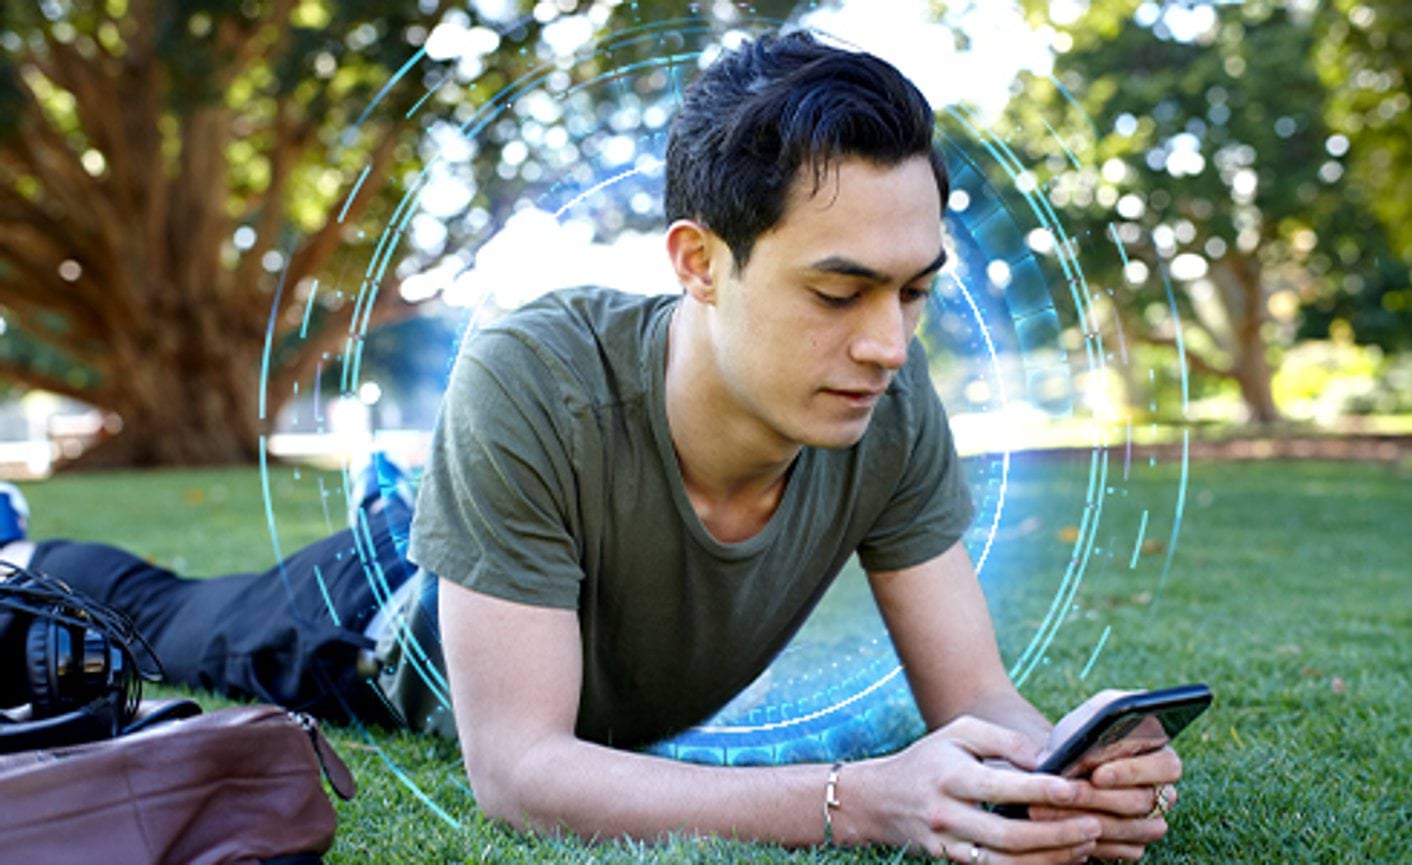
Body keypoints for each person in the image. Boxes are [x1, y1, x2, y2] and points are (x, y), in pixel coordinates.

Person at [0, 31, 1183, 863]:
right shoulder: (532, 367)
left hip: (505, 538)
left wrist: (1065, 769)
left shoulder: (892, 401)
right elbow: (517, 771)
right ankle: (23, 544)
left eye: (916, 293)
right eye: (839, 291)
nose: (887, 342)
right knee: (162, 618)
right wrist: (857, 801)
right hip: (374, 623)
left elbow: (972, 692)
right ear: (697, 264)